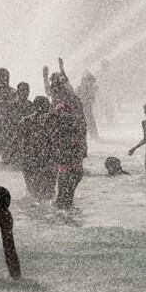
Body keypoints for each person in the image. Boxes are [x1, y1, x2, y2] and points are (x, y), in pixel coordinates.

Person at [49, 71, 87, 208]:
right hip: (72, 144)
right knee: (72, 175)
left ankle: (63, 205)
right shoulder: (70, 101)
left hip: (68, 144)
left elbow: (57, 123)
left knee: (67, 177)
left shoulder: (65, 103)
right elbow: (82, 124)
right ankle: (67, 206)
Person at [17, 96, 57, 199]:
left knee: (33, 193)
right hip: (47, 159)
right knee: (49, 192)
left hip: (30, 159)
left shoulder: (25, 121)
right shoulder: (52, 120)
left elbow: (19, 141)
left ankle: (33, 211)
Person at [76, 72, 100, 140]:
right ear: (83, 81)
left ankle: (93, 137)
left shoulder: (91, 90)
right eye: (88, 81)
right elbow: (75, 99)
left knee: (91, 127)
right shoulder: (79, 89)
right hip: (80, 112)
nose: (90, 83)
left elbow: (92, 101)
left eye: (91, 82)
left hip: (87, 112)